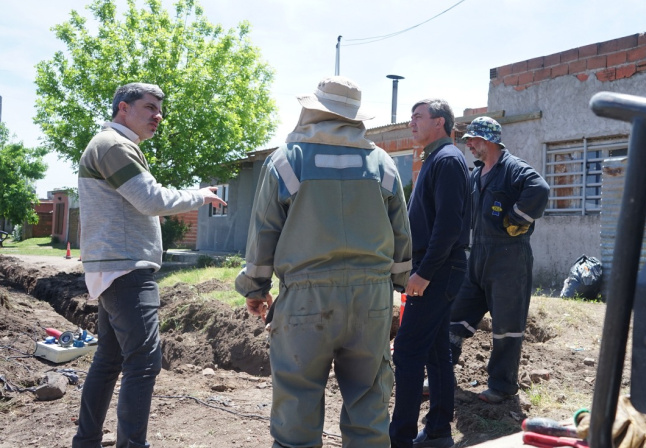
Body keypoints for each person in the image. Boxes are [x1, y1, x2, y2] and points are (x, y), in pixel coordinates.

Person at [235, 76, 412, 448]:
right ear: (355, 117)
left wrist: (255, 288)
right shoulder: (383, 164)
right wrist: (393, 290)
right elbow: (402, 237)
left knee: (297, 406)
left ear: (312, 110)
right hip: (371, 301)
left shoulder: (285, 161)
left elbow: (264, 231)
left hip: (306, 301)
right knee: (368, 404)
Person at [73, 82, 226, 448]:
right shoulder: (113, 145)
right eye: (149, 107)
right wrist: (199, 195)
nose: (158, 116)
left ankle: (87, 440)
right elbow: (148, 199)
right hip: (126, 268)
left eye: (160, 109)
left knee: (109, 360)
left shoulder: (115, 145)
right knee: (143, 363)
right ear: (123, 108)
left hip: (113, 266)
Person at [449, 116, 550, 404]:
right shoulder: (476, 174)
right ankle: (442, 372)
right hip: (477, 258)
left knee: (506, 326)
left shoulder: (514, 169)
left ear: (488, 141)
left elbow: (540, 190)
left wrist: (518, 218)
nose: (468, 144)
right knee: (455, 316)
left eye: (473, 140)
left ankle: (502, 386)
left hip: (509, 260)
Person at [389, 99, 470, 448]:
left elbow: (449, 226)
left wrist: (423, 273)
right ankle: (438, 431)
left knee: (407, 351)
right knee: (437, 353)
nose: (411, 123)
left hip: (437, 269)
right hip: (436, 268)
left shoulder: (448, 159)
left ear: (439, 122)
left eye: (418, 117)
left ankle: (400, 439)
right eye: (411, 117)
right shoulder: (437, 158)